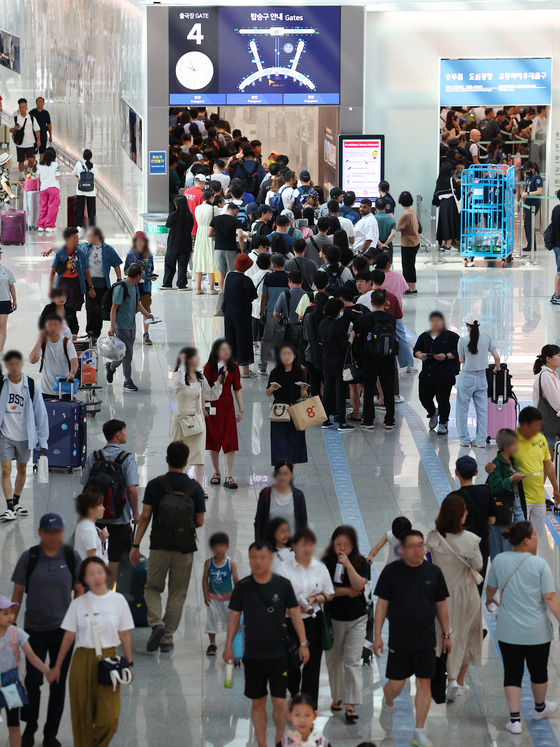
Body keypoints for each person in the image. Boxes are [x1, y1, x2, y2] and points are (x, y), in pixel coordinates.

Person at [222, 541, 309, 747]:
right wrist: (228, 647)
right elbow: (234, 618)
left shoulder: (282, 584)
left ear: (270, 560)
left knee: (279, 701)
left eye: (263, 557)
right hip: (253, 655)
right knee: (258, 702)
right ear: (250, 559)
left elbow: (295, 613)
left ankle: (279, 740)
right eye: (254, 557)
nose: (258, 561)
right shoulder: (242, 587)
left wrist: (303, 643)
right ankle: (262, 744)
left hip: (279, 654)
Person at [11, 512, 82, 747]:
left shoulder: (71, 557)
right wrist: (11, 626)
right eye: (48, 532)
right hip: (35, 631)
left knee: (58, 682)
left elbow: (79, 590)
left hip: (63, 633)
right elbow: (18, 593)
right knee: (33, 682)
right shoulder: (29, 557)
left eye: (57, 532)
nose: (53, 536)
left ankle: (50, 735)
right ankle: (30, 728)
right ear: (40, 533)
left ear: (62, 533)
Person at [374, 530, 450, 747]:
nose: (418, 550)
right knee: (396, 686)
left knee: (424, 683)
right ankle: (388, 702)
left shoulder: (434, 572)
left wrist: (446, 633)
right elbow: (381, 605)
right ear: (402, 549)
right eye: (413, 546)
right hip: (400, 640)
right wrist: (378, 635)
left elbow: (441, 605)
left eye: (421, 545)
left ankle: (419, 729)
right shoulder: (391, 573)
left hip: (426, 640)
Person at [130, 440, 205, 654]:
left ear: (166, 459)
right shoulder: (195, 488)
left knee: (152, 588)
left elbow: (145, 517)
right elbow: (199, 521)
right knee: (177, 593)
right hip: (185, 549)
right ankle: (167, 639)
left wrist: (136, 545)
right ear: (186, 462)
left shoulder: (156, 484)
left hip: (159, 546)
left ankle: (157, 624)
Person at [50, 557, 134, 746]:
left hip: (109, 660)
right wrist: (57, 667)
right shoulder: (78, 604)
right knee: (82, 718)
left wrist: (129, 662)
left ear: (105, 573)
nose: (96, 576)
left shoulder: (118, 600)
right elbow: (69, 637)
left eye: (99, 571)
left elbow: (125, 634)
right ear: (84, 579)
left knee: (110, 719)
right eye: (91, 574)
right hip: (82, 659)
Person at [486, 522, 560, 734]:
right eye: (535, 534)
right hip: (537, 631)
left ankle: (515, 720)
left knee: (512, 673)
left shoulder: (499, 560)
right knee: (539, 671)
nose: (537, 537)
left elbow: (491, 589)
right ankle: (539, 708)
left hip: (508, 630)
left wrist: (490, 600)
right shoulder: (539, 564)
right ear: (526, 540)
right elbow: (550, 597)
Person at [426, 494, 483, 701]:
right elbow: (478, 565)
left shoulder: (433, 536)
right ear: (459, 516)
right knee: (465, 636)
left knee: (444, 636)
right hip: (466, 593)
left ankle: (446, 678)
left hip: (441, 594)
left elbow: (429, 561)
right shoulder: (471, 540)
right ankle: (457, 681)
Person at [277, 528, 334, 703]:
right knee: (291, 666)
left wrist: (315, 598)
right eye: (303, 545)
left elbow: (329, 594)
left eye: (310, 545)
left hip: (313, 621)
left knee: (312, 667)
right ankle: (294, 691)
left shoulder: (320, 568)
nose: (307, 549)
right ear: (294, 546)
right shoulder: (283, 568)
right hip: (290, 623)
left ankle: (308, 707)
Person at [81, 419, 139, 588]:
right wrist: (135, 514)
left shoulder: (94, 457)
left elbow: (85, 484)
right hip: (120, 516)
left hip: (96, 517)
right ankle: (109, 590)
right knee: (117, 558)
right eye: (124, 431)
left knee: (92, 554)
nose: (126, 434)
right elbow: (131, 490)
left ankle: (94, 590)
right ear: (118, 435)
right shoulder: (127, 459)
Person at [486, 407, 560, 536]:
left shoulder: (541, 438)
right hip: (520, 499)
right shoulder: (513, 440)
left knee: (535, 538)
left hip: (539, 498)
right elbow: (500, 460)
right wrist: (489, 467)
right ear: (525, 425)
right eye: (536, 425)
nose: (539, 428)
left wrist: (555, 488)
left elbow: (547, 462)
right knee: (519, 539)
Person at [322, 525, 369, 722]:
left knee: (352, 661)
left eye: (346, 545)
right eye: (338, 544)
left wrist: (348, 565)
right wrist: (346, 592)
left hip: (357, 619)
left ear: (353, 546)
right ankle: (338, 697)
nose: (341, 549)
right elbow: (326, 590)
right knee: (334, 662)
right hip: (333, 619)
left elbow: (360, 585)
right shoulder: (325, 562)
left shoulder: (361, 562)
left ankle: (351, 704)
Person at [0, 350, 48, 522]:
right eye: (10, 364)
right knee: (5, 470)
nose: (14, 367)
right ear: (6, 366)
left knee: (22, 469)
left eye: (17, 363)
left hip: (25, 436)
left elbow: (40, 414)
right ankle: (9, 506)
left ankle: (17, 501)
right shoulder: (1, 384)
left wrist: (42, 439)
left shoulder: (32, 385)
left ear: (21, 364)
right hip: (5, 434)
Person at [0, 596, 52, 747]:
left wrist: (47, 672)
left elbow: (32, 656)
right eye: (5, 613)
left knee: (14, 724)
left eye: (11, 612)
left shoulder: (17, 634)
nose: (11, 616)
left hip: (11, 683)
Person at [171, 346, 223, 489]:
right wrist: (181, 364)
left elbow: (211, 395)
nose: (198, 359)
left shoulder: (200, 377)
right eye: (194, 356)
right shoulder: (178, 375)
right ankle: (178, 486)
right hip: (181, 422)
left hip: (197, 421)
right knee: (178, 456)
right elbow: (178, 383)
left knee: (199, 456)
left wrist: (219, 382)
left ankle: (198, 488)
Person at [353, 289, 397, 430]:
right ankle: (390, 420)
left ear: (371, 303)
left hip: (370, 359)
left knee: (369, 390)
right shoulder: (391, 318)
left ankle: (369, 420)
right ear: (385, 302)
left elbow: (360, 340)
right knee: (388, 390)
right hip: (388, 358)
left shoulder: (365, 318)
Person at [106, 264, 154, 392]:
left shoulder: (135, 287)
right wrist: (112, 327)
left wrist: (147, 314)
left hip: (131, 325)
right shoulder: (121, 288)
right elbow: (113, 308)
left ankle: (111, 366)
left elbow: (137, 303)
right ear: (138, 276)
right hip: (121, 326)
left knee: (124, 353)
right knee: (128, 353)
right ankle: (127, 380)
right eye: (141, 275)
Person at [456, 312, 500, 448]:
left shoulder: (463, 341)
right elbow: (497, 357)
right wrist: (497, 368)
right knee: (482, 410)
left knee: (462, 409)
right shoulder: (486, 338)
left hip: (467, 377)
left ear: (466, 325)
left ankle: (464, 439)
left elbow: (461, 360)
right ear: (479, 324)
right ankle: (480, 440)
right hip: (482, 377)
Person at [204, 339, 243, 490]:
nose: (226, 352)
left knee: (230, 441)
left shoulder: (234, 368)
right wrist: (203, 409)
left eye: (228, 349)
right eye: (222, 349)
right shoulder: (209, 368)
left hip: (228, 408)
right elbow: (204, 390)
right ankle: (216, 472)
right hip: (212, 408)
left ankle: (229, 475)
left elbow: (237, 388)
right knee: (213, 440)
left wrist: (241, 409)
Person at [413, 311, 459, 435]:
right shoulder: (424, 336)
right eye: (433, 321)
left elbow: (459, 351)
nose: (435, 323)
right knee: (424, 397)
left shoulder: (451, 336)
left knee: (443, 400)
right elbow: (416, 350)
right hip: (427, 374)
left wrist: (445, 356)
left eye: (438, 320)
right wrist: (420, 355)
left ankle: (444, 422)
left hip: (444, 375)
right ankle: (433, 412)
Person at [454, 455, 495, 592]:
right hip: (481, 546)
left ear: (456, 472)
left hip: (460, 549)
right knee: (477, 588)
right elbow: (493, 520)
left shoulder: (453, 498)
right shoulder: (486, 492)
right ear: (476, 472)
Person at [488, 428, 527, 558]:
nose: (517, 446)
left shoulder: (513, 460)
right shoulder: (496, 464)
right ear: (506, 446)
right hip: (504, 507)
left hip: (517, 504)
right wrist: (512, 479)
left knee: (519, 542)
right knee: (502, 545)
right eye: (515, 443)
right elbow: (496, 487)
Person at [265, 346, 309, 463]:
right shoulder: (275, 372)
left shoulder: (299, 372)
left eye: (289, 354)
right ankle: (282, 472)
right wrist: (271, 389)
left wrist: (304, 391)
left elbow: (303, 395)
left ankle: (289, 474)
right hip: (279, 410)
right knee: (280, 444)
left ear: (294, 356)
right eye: (283, 354)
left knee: (295, 444)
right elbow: (267, 393)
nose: (286, 357)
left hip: (295, 409)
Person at [80, 227, 122, 344]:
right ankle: (90, 332)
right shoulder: (84, 247)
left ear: (97, 236)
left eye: (90, 235)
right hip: (89, 283)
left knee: (99, 309)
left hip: (103, 284)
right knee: (91, 309)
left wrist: (119, 279)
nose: (88, 238)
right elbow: (70, 249)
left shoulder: (107, 249)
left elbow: (116, 264)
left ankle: (96, 333)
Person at [203, 532, 239, 656]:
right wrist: (205, 594)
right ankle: (212, 644)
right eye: (216, 547)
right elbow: (204, 579)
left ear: (227, 547)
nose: (219, 549)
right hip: (213, 598)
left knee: (230, 621)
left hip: (228, 599)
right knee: (211, 620)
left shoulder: (231, 563)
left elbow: (236, 580)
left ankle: (231, 642)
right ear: (212, 548)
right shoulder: (208, 563)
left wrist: (238, 596)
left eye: (222, 546)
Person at [254, 460, 308, 540]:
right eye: (279, 473)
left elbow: (303, 522)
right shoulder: (266, 494)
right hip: (269, 545)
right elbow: (259, 521)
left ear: (291, 476)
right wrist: (258, 544)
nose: (282, 477)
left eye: (286, 474)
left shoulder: (298, 496)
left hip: (291, 545)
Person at [223, 253, 258, 377]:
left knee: (230, 338)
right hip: (242, 314)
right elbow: (253, 296)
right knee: (243, 339)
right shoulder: (246, 280)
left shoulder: (229, 275)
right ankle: (245, 371)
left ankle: (229, 368)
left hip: (228, 313)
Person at [29, 315, 78, 398]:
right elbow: (32, 360)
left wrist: (72, 372)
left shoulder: (66, 343)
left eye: (55, 325)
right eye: (49, 325)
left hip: (64, 389)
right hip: (46, 390)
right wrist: (39, 341)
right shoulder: (43, 343)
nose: (52, 328)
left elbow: (74, 362)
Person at [49, 227, 94, 312]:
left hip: (76, 283)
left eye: (77, 237)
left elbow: (86, 271)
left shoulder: (81, 253)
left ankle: (73, 325)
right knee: (62, 308)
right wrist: (51, 289)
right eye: (74, 237)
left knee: (73, 309)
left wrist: (90, 287)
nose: (77, 239)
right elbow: (52, 271)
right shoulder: (60, 253)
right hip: (63, 283)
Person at [259, 254, 289, 375]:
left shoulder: (268, 278)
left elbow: (264, 296)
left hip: (271, 311)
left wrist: (262, 313)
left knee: (266, 338)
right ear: (284, 264)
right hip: (285, 313)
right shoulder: (289, 277)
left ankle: (262, 366)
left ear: (273, 265)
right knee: (284, 339)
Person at [124, 231, 155, 346]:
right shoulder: (130, 255)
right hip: (133, 286)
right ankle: (129, 334)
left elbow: (151, 271)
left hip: (145, 286)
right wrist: (133, 269)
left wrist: (152, 276)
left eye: (142, 241)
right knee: (131, 311)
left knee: (146, 310)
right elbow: (126, 271)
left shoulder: (149, 255)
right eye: (138, 241)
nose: (140, 243)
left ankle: (146, 334)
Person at [209, 203, 245, 290]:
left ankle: (222, 292)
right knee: (232, 272)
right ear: (235, 211)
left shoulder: (215, 219)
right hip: (231, 249)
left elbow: (209, 233)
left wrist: (215, 237)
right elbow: (240, 235)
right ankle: (231, 291)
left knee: (221, 273)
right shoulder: (235, 221)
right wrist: (242, 248)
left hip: (218, 249)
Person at [162, 195, 194, 291]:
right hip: (185, 243)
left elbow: (168, 225)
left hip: (173, 243)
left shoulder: (173, 215)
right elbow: (190, 228)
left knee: (169, 264)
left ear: (176, 204)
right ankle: (182, 284)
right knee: (183, 265)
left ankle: (167, 283)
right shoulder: (189, 215)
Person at [301, 290, 327, 397]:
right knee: (328, 383)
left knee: (314, 383)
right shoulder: (327, 318)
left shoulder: (308, 317)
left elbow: (305, 336)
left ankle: (317, 408)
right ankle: (329, 408)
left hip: (310, 353)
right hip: (326, 354)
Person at [532, 344, 560, 445]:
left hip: (550, 420)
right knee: (549, 451)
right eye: (558, 356)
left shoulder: (551, 374)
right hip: (549, 420)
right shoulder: (546, 376)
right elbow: (555, 401)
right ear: (548, 358)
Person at [193, 189, 218, 295]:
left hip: (200, 233)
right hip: (210, 233)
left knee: (199, 258)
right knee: (210, 258)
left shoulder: (197, 208)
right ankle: (212, 288)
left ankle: (198, 288)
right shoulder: (214, 208)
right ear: (211, 197)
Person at [396, 191, 420, 294]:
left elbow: (398, 228)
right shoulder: (412, 211)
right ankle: (412, 287)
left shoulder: (405, 215)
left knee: (407, 266)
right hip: (415, 241)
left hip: (408, 243)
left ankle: (409, 288)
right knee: (411, 265)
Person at [73, 491, 109, 562]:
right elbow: (92, 561)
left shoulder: (83, 524)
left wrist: (101, 539)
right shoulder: (89, 529)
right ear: (91, 509)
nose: (104, 509)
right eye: (100, 505)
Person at [433, 162, 460, 251]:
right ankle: (449, 244)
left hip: (442, 204)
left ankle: (443, 243)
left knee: (443, 223)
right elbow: (458, 193)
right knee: (451, 223)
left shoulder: (439, 180)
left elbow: (436, 195)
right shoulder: (451, 180)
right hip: (451, 204)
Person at [9, 98, 40, 173]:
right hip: (20, 144)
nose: (22, 109)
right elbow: (10, 130)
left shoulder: (32, 118)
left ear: (27, 108)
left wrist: (38, 140)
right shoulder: (16, 118)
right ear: (19, 108)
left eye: (23, 107)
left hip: (30, 143)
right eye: (20, 107)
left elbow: (37, 130)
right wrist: (15, 128)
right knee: (21, 160)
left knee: (31, 159)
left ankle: (29, 170)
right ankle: (22, 176)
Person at [35, 147, 60, 233]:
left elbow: (37, 177)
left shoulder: (40, 165)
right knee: (52, 207)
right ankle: (49, 226)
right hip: (53, 187)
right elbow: (58, 176)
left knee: (43, 207)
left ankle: (41, 226)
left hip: (43, 188)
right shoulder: (55, 165)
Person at [72, 149, 98, 231]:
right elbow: (95, 176)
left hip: (80, 190)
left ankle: (79, 226)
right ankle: (92, 226)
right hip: (91, 190)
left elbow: (74, 173)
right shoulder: (94, 165)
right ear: (91, 157)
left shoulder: (78, 164)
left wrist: (80, 178)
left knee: (80, 207)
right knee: (91, 208)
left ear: (83, 156)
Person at [521, 161, 543, 251]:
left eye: (528, 170)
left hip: (534, 202)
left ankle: (532, 245)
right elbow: (526, 189)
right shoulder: (529, 178)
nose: (527, 172)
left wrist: (528, 193)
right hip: (527, 202)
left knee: (529, 223)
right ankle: (530, 244)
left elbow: (539, 191)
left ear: (532, 169)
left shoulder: (537, 178)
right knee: (527, 223)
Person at [0, 250, 16, 352]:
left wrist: (15, 300)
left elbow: (11, 286)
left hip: (4, 300)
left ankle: (0, 349)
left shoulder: (6, 269)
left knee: (2, 326)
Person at [549, 190, 560, 305]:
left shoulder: (555, 209)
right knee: (559, 272)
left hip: (556, 245)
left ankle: (557, 292)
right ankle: (557, 296)